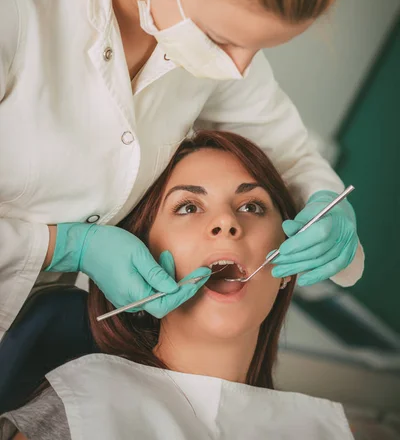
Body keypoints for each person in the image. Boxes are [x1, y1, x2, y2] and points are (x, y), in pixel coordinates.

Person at [0, 0, 364, 342]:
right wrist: (62, 246)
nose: (237, 70)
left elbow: (286, 151)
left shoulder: (200, 10)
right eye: (224, 40)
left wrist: (326, 204)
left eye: (258, 48)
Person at [0, 131, 355, 439]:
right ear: (143, 254)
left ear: (289, 264)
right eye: (187, 207)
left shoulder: (317, 431)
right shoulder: (81, 412)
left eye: (251, 206)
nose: (226, 223)